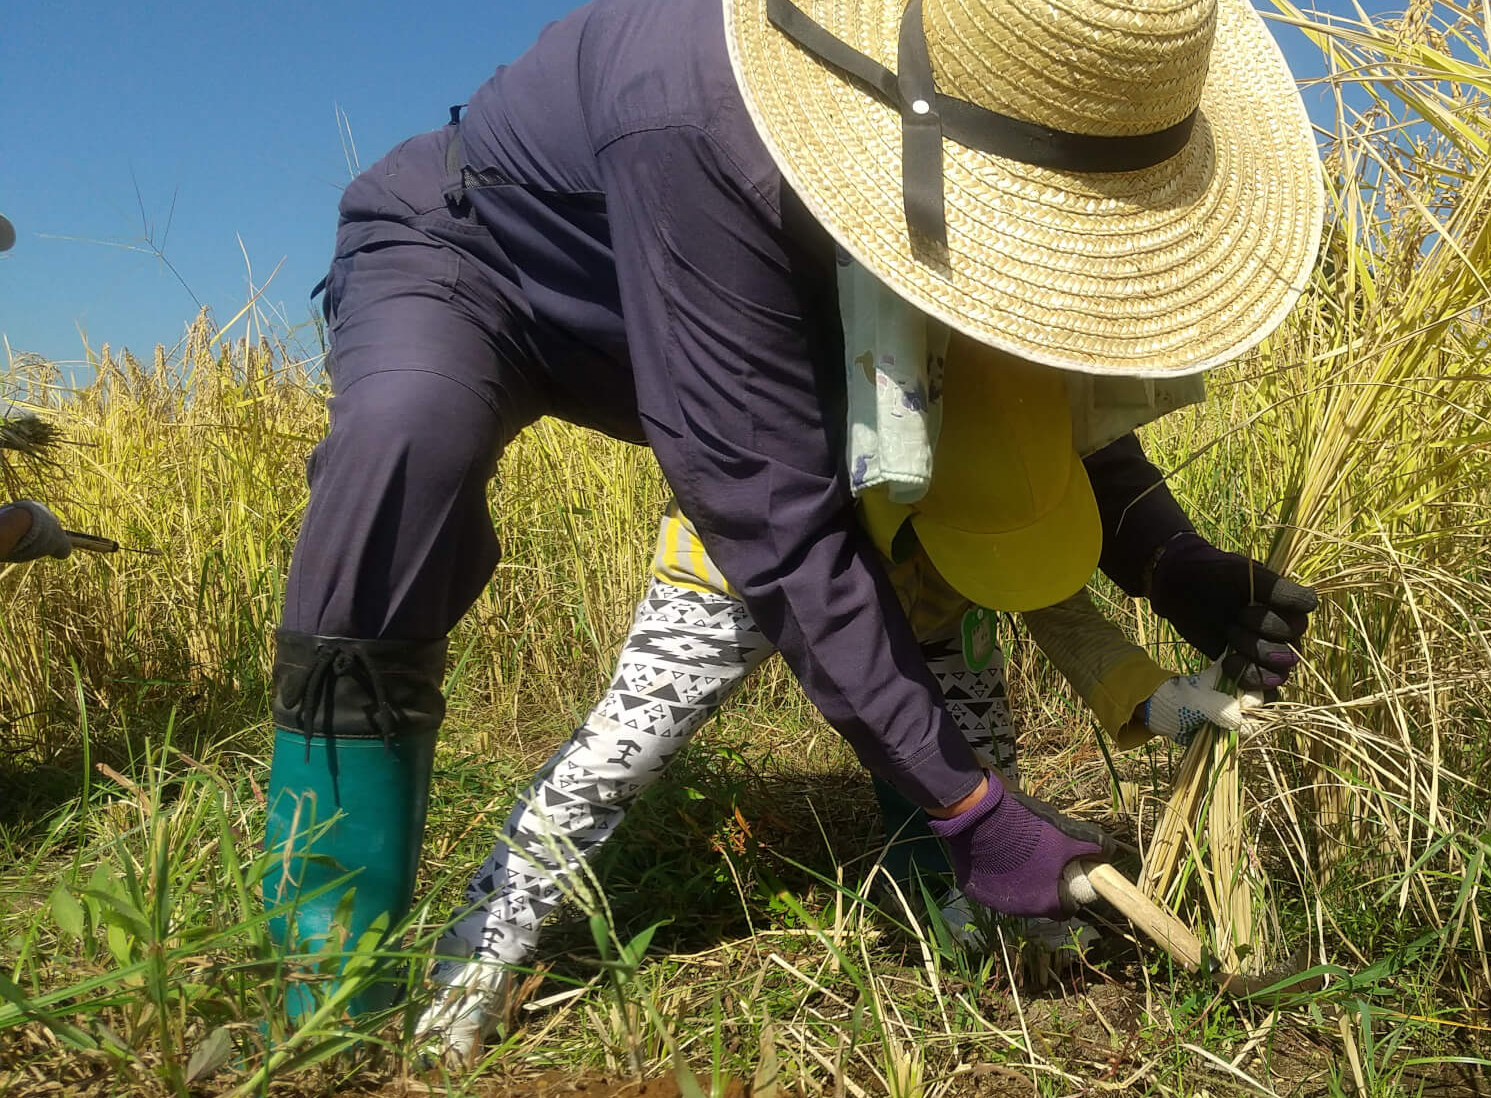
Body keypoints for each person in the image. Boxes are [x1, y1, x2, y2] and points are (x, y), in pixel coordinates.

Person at [262, 0, 1324, 1022]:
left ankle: (944, 906)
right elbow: (770, 511)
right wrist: (970, 804)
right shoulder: (700, 112)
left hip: (730, 308)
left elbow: (1007, 405)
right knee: (407, 444)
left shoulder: (981, 128)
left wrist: (1166, 557)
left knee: (919, 508)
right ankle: (330, 971)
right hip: (488, 262)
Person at [414, 337, 1261, 1061]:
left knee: (983, 755)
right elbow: (827, 615)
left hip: (930, 581)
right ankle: (479, 949)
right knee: (623, 749)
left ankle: (972, 917)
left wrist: (1152, 697)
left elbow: (1045, 590)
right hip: (744, 562)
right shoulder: (795, 446)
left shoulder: (1000, 444)